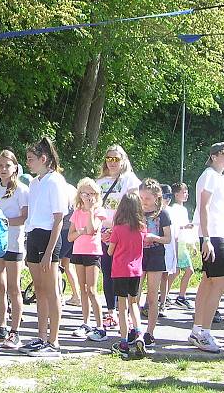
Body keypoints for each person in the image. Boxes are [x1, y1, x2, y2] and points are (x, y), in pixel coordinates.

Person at [19, 136, 68, 357]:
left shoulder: (55, 180)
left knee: (51, 290)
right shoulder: (34, 182)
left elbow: (58, 218)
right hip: (34, 234)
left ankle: (54, 341)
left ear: (43, 158)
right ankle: (41, 336)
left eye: (31, 159)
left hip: (49, 236)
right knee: (39, 290)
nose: (28, 163)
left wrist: (49, 252)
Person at [189, 141, 224, 354]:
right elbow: (204, 207)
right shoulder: (209, 175)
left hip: (218, 233)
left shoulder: (219, 178)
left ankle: (198, 328)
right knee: (220, 283)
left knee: (208, 282)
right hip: (211, 236)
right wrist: (206, 237)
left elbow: (219, 210)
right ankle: (204, 331)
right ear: (214, 156)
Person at [0, 150, 29, 349]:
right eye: (0, 165)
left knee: (14, 288)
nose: (3, 169)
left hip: (14, 244)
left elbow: (24, 217)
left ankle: (15, 331)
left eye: (7, 166)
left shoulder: (21, 190)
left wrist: (3, 221)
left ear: (15, 168)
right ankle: (1, 327)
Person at [96, 144, 142, 329]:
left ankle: (130, 312)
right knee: (107, 272)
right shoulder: (99, 182)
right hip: (102, 231)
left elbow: (134, 206)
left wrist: (117, 229)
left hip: (123, 231)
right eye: (109, 158)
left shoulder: (130, 180)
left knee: (125, 272)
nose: (112, 162)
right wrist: (100, 230)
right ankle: (111, 312)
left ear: (123, 160)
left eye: (116, 158)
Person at [107, 192, 147, 358]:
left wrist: (108, 241)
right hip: (136, 271)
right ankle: (138, 333)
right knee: (134, 303)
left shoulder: (117, 229)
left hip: (120, 270)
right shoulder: (142, 228)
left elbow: (110, 251)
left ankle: (123, 341)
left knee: (122, 308)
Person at [68, 177, 108, 341]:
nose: (89, 196)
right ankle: (86, 322)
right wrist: (80, 232)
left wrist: (91, 210)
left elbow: (92, 230)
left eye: (92, 193)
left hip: (92, 253)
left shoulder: (99, 211)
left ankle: (100, 326)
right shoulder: (76, 213)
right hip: (78, 252)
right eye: (86, 193)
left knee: (92, 289)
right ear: (80, 195)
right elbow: (70, 237)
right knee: (82, 288)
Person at [139, 179, 171, 349]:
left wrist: (155, 238)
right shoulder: (137, 212)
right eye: (142, 197)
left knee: (152, 296)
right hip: (139, 255)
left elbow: (168, 238)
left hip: (156, 255)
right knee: (134, 294)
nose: (144, 201)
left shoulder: (163, 214)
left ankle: (150, 332)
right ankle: (134, 329)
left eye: (148, 198)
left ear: (157, 197)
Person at [168, 182, 195, 309]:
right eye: (183, 192)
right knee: (186, 270)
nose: (186, 195)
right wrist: (185, 226)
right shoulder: (174, 209)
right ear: (176, 194)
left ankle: (172, 295)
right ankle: (178, 296)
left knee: (178, 271)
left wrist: (192, 245)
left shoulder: (184, 209)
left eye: (186, 192)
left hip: (183, 243)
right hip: (177, 243)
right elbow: (174, 227)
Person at [60, 180, 83, 308]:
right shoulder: (72, 188)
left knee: (56, 264)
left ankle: (59, 296)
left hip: (64, 229)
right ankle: (76, 296)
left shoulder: (60, 188)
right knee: (67, 265)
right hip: (73, 230)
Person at [158, 184, 177, 316]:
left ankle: (162, 303)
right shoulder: (153, 210)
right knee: (148, 276)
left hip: (169, 247)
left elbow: (175, 234)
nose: (168, 199)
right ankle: (147, 303)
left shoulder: (173, 211)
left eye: (170, 196)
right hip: (155, 247)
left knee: (165, 275)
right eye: (165, 196)